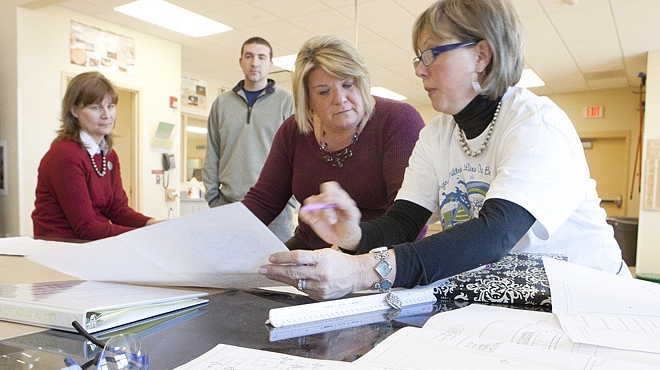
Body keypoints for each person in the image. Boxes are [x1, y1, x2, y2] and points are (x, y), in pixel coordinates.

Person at [258, 0, 626, 300]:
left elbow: (493, 235)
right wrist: (354, 237)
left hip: (586, 302)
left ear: (482, 55)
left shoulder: (535, 125)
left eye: (432, 53)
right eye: (418, 57)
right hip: (510, 300)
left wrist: (361, 271)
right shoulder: (437, 135)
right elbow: (403, 223)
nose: (420, 70)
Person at [242, 35, 425, 250]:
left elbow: (409, 223)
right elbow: (263, 202)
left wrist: (351, 247)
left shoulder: (398, 120)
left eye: (348, 84)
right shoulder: (295, 130)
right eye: (324, 92)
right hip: (310, 251)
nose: (340, 98)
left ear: (362, 82)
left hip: (376, 256)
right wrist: (213, 237)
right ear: (307, 99)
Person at [32, 71, 158, 241]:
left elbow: (117, 209)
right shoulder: (65, 155)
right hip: (61, 248)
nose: (107, 115)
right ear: (75, 111)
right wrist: (145, 236)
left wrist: (153, 225)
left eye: (111, 106)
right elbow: (86, 227)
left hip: (90, 245)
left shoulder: (108, 155)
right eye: (96, 107)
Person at [202, 36, 297, 242]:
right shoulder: (222, 103)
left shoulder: (286, 102)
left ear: (270, 64)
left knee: (274, 271)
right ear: (240, 62)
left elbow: (298, 154)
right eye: (249, 56)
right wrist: (213, 199)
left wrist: (290, 203)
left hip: (276, 212)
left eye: (262, 57)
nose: (255, 63)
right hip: (229, 207)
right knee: (227, 270)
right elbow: (212, 152)